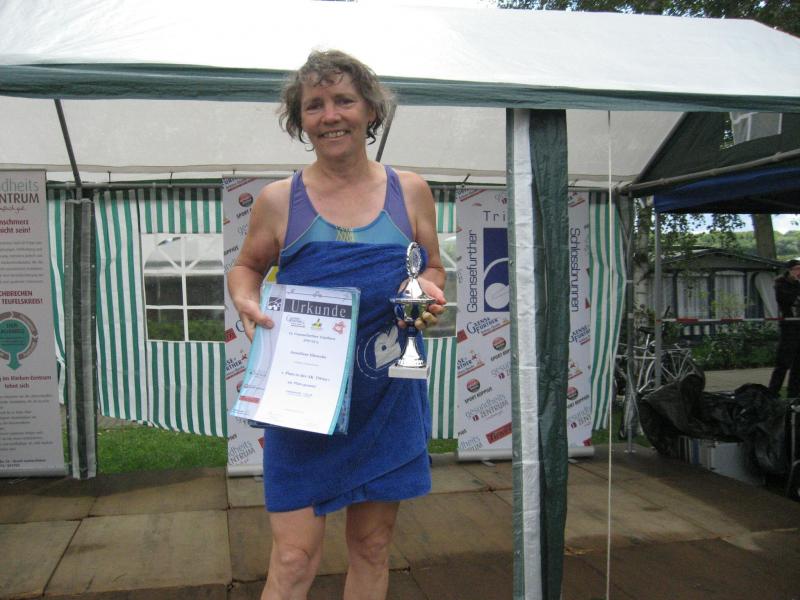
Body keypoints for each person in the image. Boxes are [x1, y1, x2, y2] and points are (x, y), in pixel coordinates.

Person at [227, 49, 446, 600]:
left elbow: (432, 265)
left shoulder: (410, 190)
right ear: (299, 120)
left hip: (387, 395)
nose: (330, 116)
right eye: (315, 105)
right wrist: (247, 301)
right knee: (294, 557)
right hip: (304, 398)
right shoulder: (280, 200)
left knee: (372, 547)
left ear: (371, 110)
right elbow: (246, 267)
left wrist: (428, 288)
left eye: (344, 100)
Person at [768, 258, 800, 399]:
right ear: (789, 270)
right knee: (783, 362)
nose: (799, 272)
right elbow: (786, 300)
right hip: (789, 328)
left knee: (798, 365)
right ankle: (773, 392)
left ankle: (793, 394)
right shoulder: (781, 283)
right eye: (797, 269)